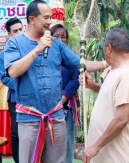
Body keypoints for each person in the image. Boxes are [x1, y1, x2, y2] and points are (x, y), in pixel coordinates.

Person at [4, 0, 80, 163]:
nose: (50, 21)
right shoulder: (15, 43)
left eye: (51, 17)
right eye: (46, 17)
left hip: (55, 115)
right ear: (32, 19)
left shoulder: (56, 43)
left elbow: (79, 64)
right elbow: (13, 72)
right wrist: (37, 49)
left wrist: (105, 63)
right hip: (29, 116)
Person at [81, 28, 129, 163]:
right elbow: (115, 96)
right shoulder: (114, 70)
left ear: (108, 48)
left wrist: (96, 147)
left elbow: (122, 118)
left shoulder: (126, 75)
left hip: (120, 156)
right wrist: (92, 86)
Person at [50, 24, 80, 163]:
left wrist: (63, 97)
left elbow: (76, 79)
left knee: (67, 141)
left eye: (63, 37)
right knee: (51, 142)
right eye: (56, 37)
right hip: (48, 106)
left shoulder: (72, 56)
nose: (60, 40)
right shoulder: (45, 55)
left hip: (67, 106)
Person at [0, 17, 24, 162]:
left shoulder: (32, 49)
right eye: (15, 31)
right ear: (9, 34)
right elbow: (4, 78)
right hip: (15, 99)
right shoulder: (4, 54)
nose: (19, 33)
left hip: (33, 99)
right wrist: (23, 85)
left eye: (21, 29)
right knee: (16, 133)